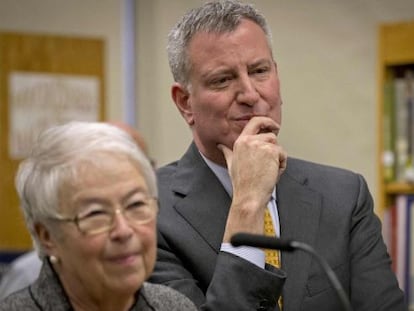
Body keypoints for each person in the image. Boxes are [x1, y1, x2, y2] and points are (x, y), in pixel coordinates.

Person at [148, 1, 406, 310]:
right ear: (185, 103)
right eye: (222, 80)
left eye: (259, 71)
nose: (250, 94)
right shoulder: (148, 212)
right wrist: (247, 202)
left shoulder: (345, 196)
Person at [0, 121, 197, 310]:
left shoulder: (174, 306)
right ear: (47, 236)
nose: (124, 230)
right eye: (96, 214)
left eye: (136, 204)